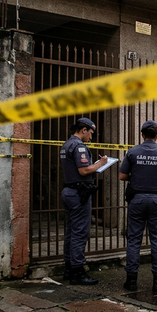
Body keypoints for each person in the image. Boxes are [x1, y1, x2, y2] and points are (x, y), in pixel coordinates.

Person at [118, 120, 157, 292]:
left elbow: (122, 176)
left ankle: (131, 281)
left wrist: (138, 177)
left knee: (134, 239)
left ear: (142, 134)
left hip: (137, 199)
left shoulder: (133, 152)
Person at [60, 117, 109, 285]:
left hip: (69, 191)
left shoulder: (66, 144)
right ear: (83, 130)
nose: (91, 137)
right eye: (91, 133)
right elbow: (84, 170)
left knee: (71, 232)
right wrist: (101, 163)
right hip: (78, 193)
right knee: (80, 232)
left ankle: (69, 268)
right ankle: (77, 272)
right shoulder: (79, 146)